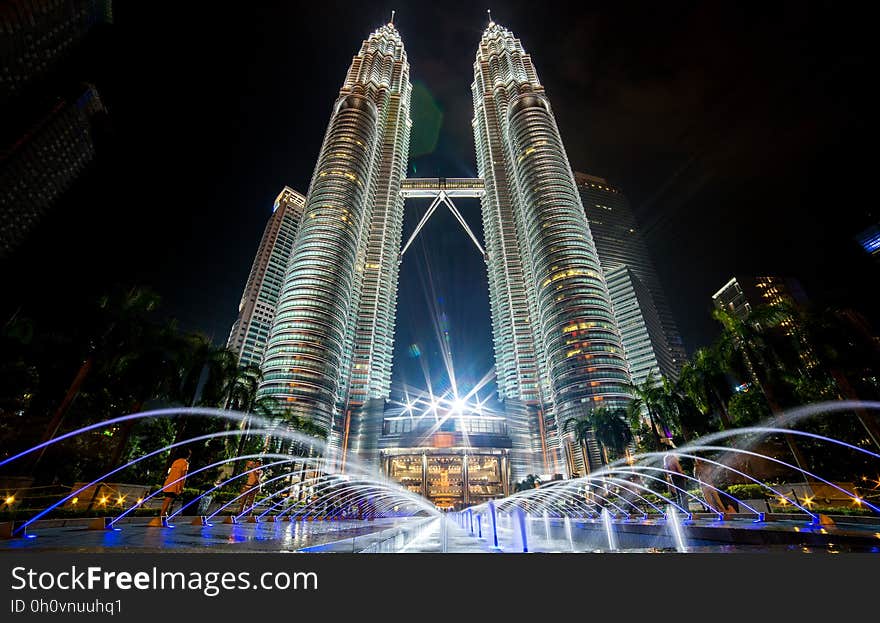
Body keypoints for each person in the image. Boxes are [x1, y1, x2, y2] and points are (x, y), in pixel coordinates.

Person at [160, 449, 191, 516]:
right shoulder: (185, 463)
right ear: (188, 455)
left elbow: (170, 472)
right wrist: (181, 487)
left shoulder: (175, 461)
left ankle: (164, 514)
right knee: (168, 500)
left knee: (167, 500)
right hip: (175, 485)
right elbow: (183, 477)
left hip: (168, 482)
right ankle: (162, 515)